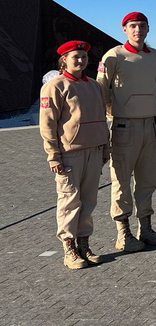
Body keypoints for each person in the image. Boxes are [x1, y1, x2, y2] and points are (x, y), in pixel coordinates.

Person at [97, 12, 156, 252]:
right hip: (125, 126)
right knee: (122, 180)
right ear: (124, 29)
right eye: (133, 26)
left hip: (151, 125)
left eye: (142, 26)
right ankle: (123, 233)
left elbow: (154, 81)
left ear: (148, 29)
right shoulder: (113, 56)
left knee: (148, 180)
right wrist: (112, 114)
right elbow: (101, 89)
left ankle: (145, 228)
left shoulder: (154, 56)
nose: (138, 30)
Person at [40, 40, 110, 269]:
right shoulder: (55, 86)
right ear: (64, 61)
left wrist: (105, 147)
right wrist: (53, 155)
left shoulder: (93, 85)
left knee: (89, 201)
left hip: (94, 150)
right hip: (70, 154)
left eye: (83, 57)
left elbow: (102, 117)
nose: (80, 60)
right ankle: (69, 248)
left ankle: (84, 244)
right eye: (75, 57)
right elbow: (48, 124)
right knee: (70, 201)